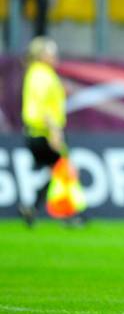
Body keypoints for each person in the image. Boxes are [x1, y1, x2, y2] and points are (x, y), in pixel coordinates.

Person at [20, 36, 65, 226]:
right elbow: (43, 106)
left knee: (59, 170)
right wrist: (54, 131)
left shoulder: (35, 73)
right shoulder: (43, 75)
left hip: (37, 132)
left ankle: (34, 206)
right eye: (51, 52)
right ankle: (67, 213)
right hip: (42, 132)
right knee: (63, 169)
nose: (55, 56)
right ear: (41, 55)